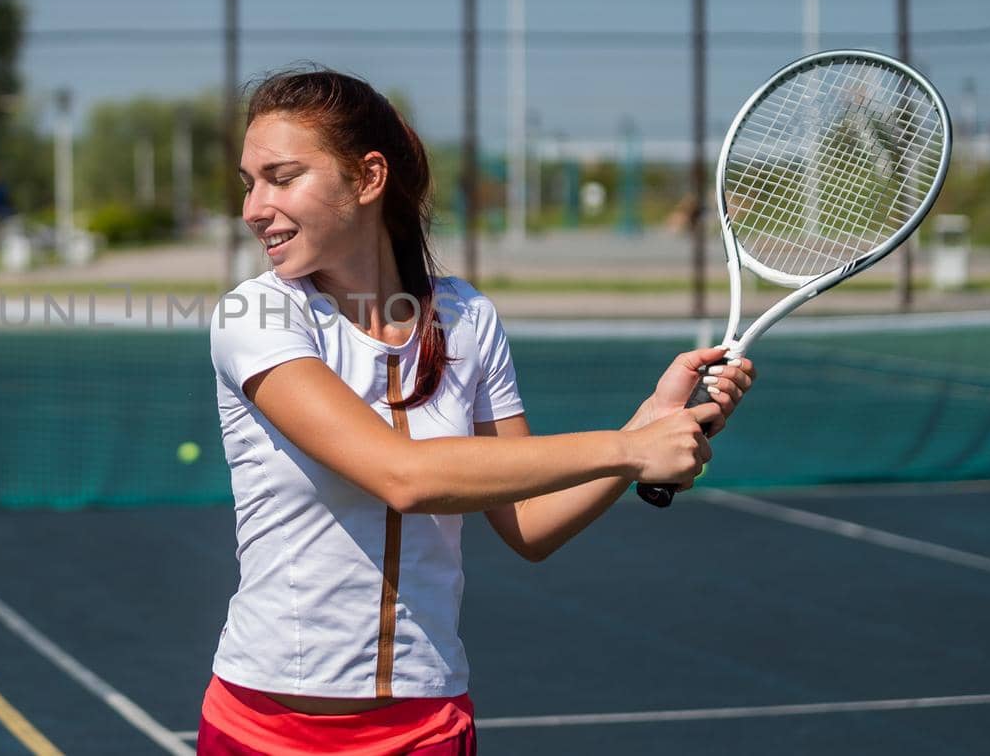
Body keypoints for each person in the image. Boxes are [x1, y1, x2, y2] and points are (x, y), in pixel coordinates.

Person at [199, 69, 754, 755]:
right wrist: (629, 449)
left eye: (281, 177)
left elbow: (530, 527)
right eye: (250, 181)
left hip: (425, 727)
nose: (255, 206)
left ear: (368, 178)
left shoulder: (465, 317)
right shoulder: (255, 315)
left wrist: (649, 420)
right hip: (265, 730)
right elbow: (403, 476)